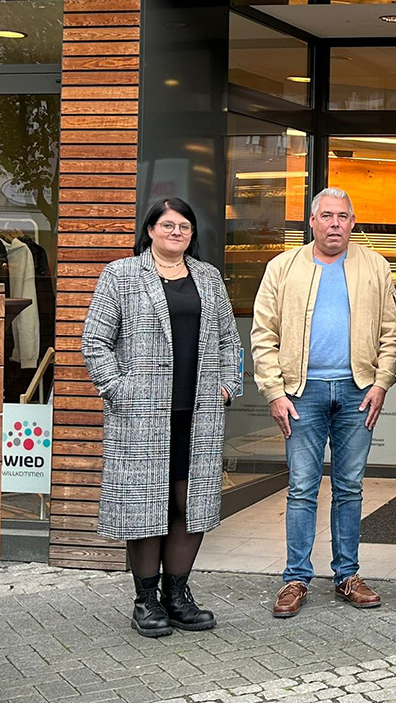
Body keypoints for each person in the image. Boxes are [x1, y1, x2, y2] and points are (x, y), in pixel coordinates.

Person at [82, 198, 240, 637]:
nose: (176, 232)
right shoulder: (122, 274)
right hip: (141, 414)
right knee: (145, 504)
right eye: (167, 225)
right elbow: (95, 342)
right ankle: (146, 600)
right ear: (150, 229)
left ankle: (178, 594)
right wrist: (117, 391)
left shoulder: (207, 276)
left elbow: (230, 340)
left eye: (184, 226)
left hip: (199, 412)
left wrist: (228, 385)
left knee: (187, 503)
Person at [252, 187, 396, 619]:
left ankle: (346, 575)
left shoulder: (375, 265)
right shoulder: (282, 267)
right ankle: (295, 578)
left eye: (343, 216)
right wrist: (274, 391)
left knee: (350, 487)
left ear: (353, 223)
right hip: (302, 394)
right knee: (301, 488)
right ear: (312, 222)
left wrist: (381, 383)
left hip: (358, 392)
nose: (335, 223)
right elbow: (263, 335)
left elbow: (391, 332)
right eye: (327, 216)